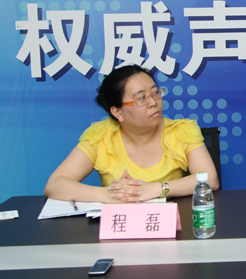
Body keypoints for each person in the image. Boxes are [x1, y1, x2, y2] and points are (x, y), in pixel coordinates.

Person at [44, 65, 218, 202]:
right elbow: (55, 185)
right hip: (118, 226)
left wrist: (157, 189)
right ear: (117, 112)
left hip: (172, 223)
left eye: (155, 93)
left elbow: (210, 179)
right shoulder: (101, 136)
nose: (153, 102)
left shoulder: (180, 131)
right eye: (141, 98)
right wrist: (111, 195)